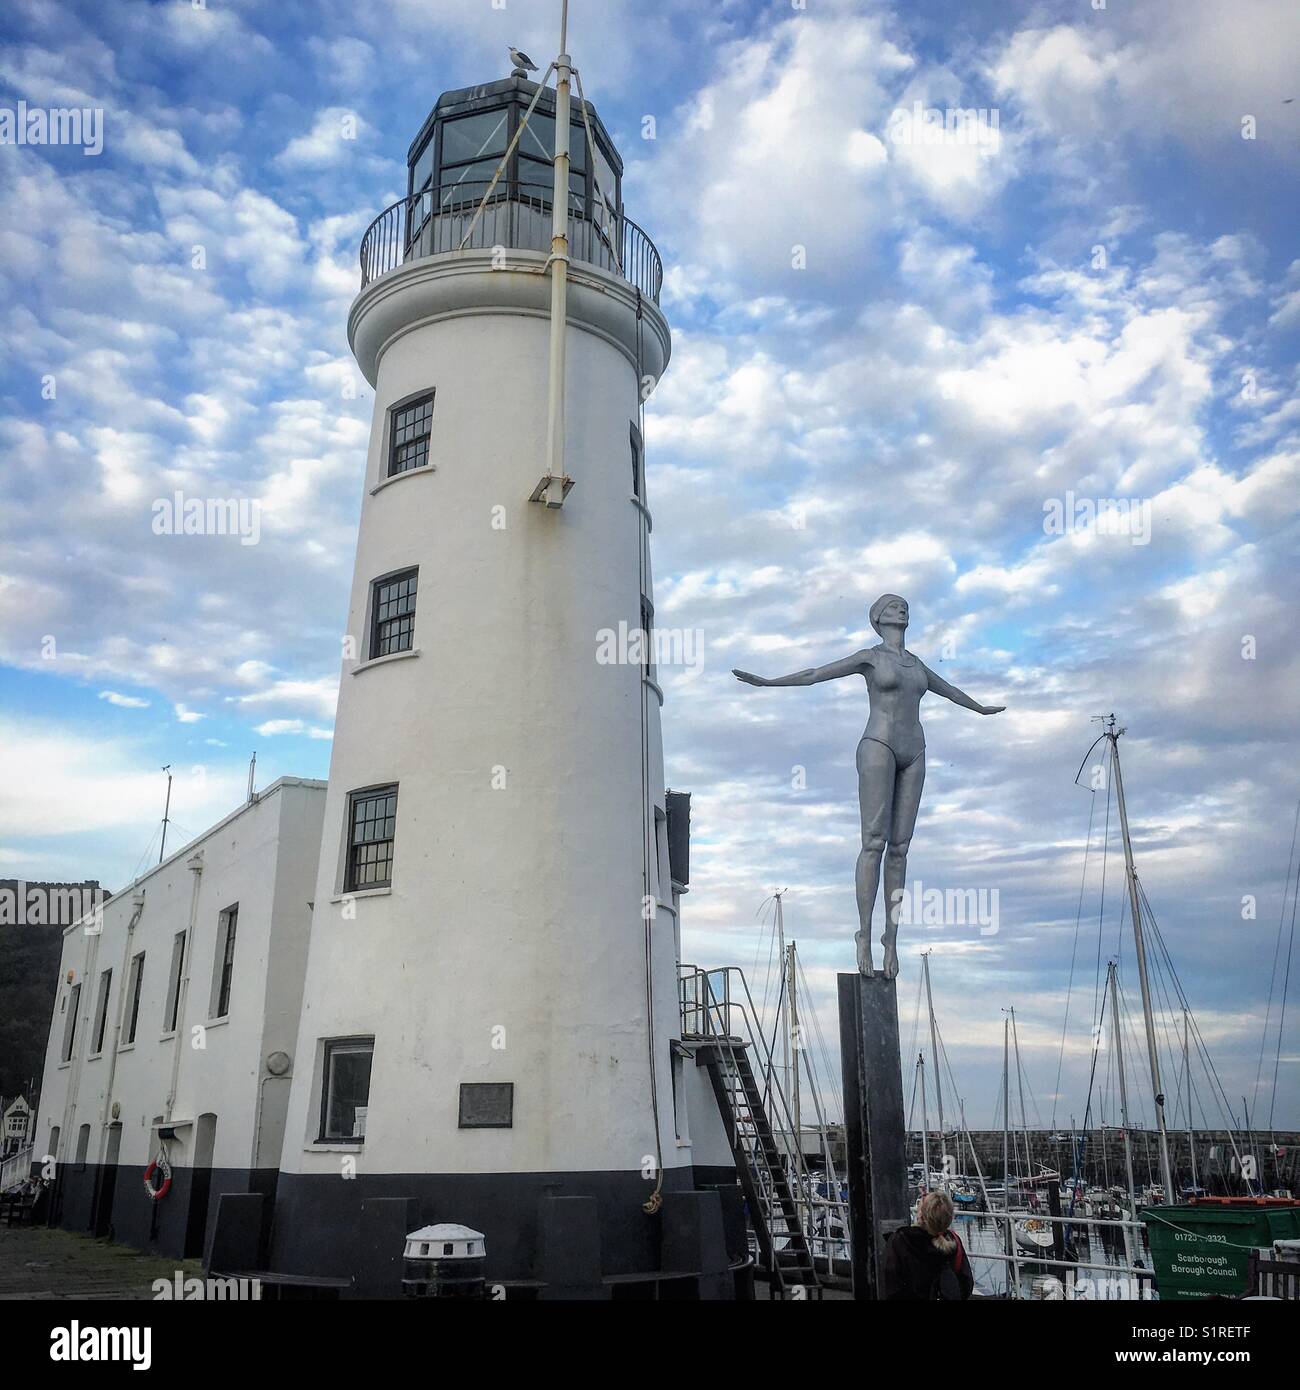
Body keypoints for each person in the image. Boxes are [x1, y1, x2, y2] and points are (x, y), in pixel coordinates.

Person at [882, 1190, 974, 1300]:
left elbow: (892, 1287)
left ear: (920, 1216)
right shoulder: (954, 1241)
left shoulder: (899, 1241)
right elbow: (966, 1285)